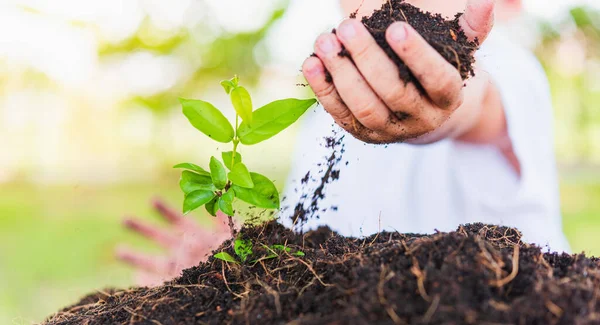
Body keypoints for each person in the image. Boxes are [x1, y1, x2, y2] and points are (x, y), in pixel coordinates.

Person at [117, 0, 571, 286]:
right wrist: (243, 268)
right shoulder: (326, 117)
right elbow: (315, 266)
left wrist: (445, 93)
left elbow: (470, 104)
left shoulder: (511, 69)